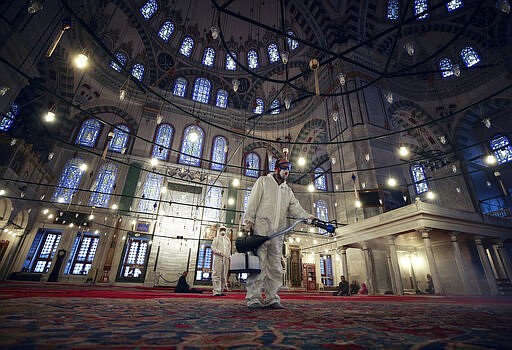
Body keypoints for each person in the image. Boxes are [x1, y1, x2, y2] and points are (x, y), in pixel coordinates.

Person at [243, 158, 313, 309]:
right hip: (260, 231)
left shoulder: (287, 191)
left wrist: (307, 217)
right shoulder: (263, 182)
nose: (286, 171)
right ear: (276, 169)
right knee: (258, 265)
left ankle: (271, 297)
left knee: (275, 266)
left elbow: (296, 208)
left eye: (288, 168)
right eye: (284, 167)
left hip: (278, 233)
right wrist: (248, 223)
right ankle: (253, 297)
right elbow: (253, 202)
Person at [211, 225, 231, 296]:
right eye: (221, 229)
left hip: (226, 259)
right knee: (217, 274)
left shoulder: (227, 240)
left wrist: (228, 256)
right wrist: (219, 252)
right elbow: (213, 247)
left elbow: (229, 249)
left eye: (224, 230)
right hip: (218, 258)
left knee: (224, 275)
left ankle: (221, 290)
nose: (223, 231)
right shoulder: (216, 239)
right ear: (219, 230)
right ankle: (216, 291)